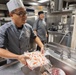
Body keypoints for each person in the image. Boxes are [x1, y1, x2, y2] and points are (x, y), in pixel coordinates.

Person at [0, 0, 44, 66]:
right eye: (20, 13)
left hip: (27, 60)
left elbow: (34, 37)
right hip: (13, 62)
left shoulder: (28, 27)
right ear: (11, 15)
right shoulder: (4, 29)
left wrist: (41, 45)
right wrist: (18, 57)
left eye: (25, 13)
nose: (25, 16)